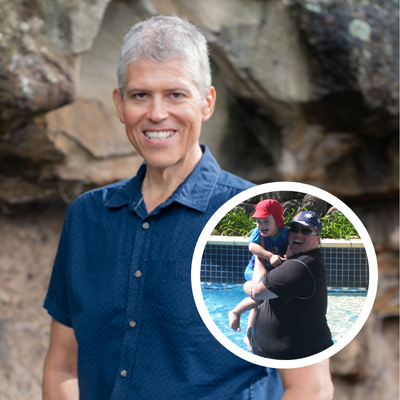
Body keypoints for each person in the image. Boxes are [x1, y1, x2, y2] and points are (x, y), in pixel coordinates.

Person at [42, 15, 333, 400]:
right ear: (119, 103)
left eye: (176, 94)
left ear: (207, 103)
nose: (157, 113)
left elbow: (310, 388)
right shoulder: (86, 218)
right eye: (140, 95)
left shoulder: (265, 223)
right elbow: (64, 367)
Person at [248, 211, 334, 360]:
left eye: (306, 230)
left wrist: (259, 254)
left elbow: (257, 291)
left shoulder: (299, 267)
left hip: (294, 360)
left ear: (317, 239)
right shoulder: (303, 260)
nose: (298, 234)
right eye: (294, 229)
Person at [229, 199, 290, 350]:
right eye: (258, 221)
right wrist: (270, 256)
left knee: (259, 301)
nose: (261, 225)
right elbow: (252, 247)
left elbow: (293, 246)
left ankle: (248, 336)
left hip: (268, 274)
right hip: (252, 272)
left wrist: (290, 253)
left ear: (277, 220)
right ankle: (236, 311)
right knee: (262, 294)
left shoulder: (286, 233)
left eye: (266, 221)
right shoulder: (258, 233)